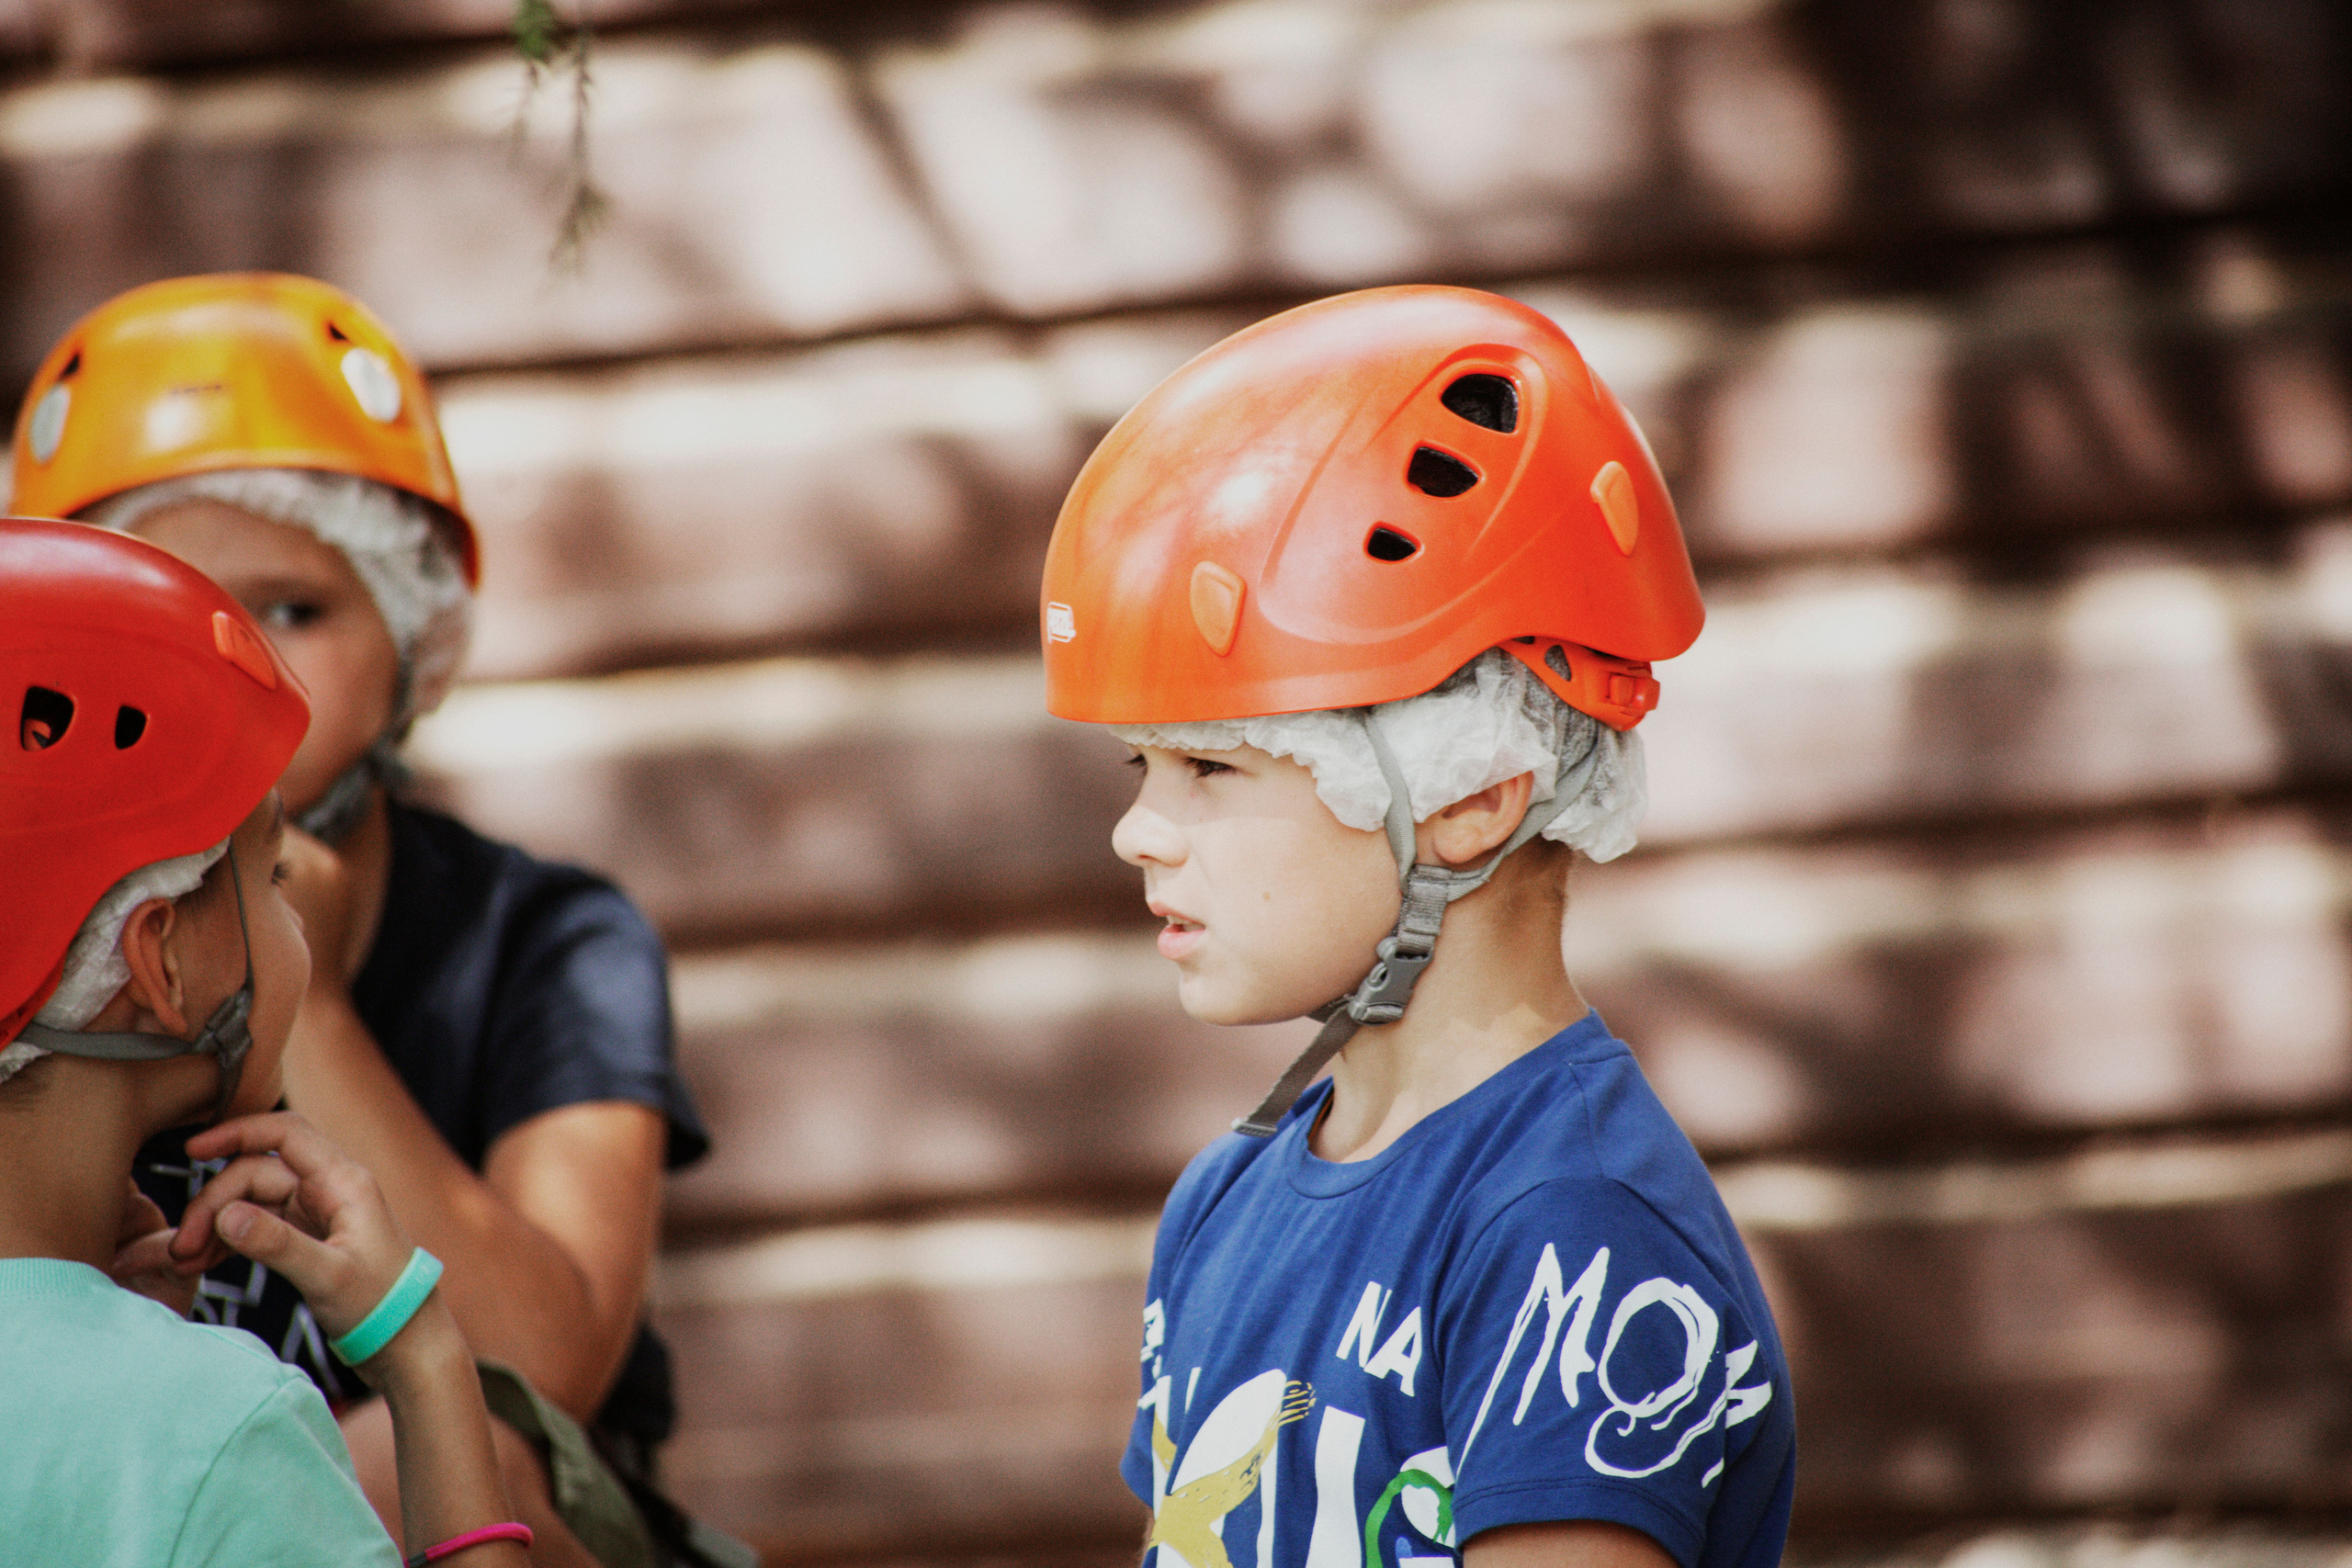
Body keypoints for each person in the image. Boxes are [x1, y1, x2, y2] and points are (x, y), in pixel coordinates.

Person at [1038, 287, 1796, 1568]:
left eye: (1213, 767)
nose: (1139, 832)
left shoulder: (1571, 1225)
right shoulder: (1222, 1197)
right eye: (1141, 767)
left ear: (1468, 793)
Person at [11, 274, 721, 1567]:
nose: (245, 661)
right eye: (178, 607)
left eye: (294, 609)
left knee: (392, 1458)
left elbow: (543, 1368)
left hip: (501, 1507)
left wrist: (310, 1000)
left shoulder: (551, 936)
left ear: (412, 639)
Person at [0, 516, 532, 1566]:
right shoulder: (207, 1438)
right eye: (274, 876)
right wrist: (425, 1361)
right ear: (160, 962)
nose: (295, 915)